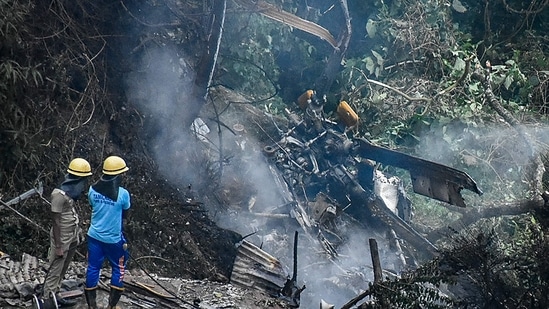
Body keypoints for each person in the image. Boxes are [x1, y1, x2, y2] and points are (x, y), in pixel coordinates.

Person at [43, 158, 92, 306]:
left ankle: (56, 293)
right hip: (62, 236)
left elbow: (71, 213)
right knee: (55, 268)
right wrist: (58, 246)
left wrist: (78, 233)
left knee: (64, 267)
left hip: (72, 234)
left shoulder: (69, 193)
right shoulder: (58, 195)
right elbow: (56, 221)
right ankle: (47, 299)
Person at [84, 156, 130, 309]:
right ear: (117, 175)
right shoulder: (123, 194)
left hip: (94, 237)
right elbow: (125, 215)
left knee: (93, 268)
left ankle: (92, 306)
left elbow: (92, 206)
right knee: (118, 268)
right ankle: (111, 306)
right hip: (113, 240)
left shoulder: (92, 190)